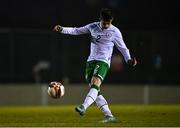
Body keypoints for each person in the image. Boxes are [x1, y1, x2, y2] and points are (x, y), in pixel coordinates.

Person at [53, 8, 137, 123]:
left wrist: (128, 59)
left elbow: (123, 47)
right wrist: (62, 29)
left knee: (96, 81)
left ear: (111, 20)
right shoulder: (93, 27)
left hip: (103, 62)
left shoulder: (115, 32)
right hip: (91, 62)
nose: (106, 25)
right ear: (100, 19)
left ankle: (83, 106)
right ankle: (109, 116)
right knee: (95, 89)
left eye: (108, 23)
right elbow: (76, 30)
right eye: (104, 22)